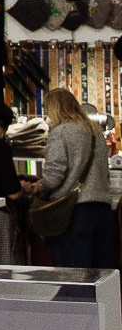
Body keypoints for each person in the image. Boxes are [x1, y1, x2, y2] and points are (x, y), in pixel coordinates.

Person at [34, 88, 115, 269]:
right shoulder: (96, 132)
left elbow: (54, 175)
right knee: (100, 274)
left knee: (72, 274)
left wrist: (38, 185)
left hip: (72, 212)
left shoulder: (60, 132)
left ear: (54, 109)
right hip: (102, 210)